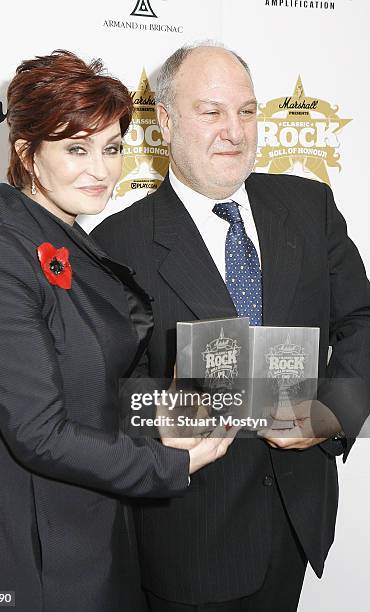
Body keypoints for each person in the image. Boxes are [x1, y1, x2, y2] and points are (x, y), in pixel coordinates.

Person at [0, 50, 234, 612]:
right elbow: (40, 432)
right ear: (27, 153)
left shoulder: (70, 244)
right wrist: (171, 463)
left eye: (111, 149)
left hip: (91, 530)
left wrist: (164, 411)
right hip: (30, 556)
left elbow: (91, 386)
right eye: (76, 149)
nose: (102, 170)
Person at [92, 43, 370, 611]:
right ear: (165, 122)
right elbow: (94, 393)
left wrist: (333, 411)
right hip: (190, 539)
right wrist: (169, 414)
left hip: (294, 520)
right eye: (211, 111)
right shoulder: (116, 245)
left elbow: (362, 322)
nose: (235, 131)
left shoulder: (310, 205)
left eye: (246, 111)